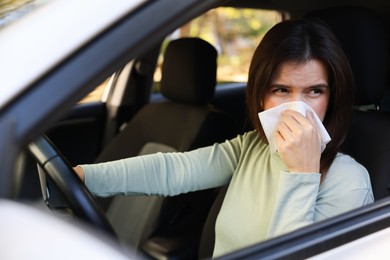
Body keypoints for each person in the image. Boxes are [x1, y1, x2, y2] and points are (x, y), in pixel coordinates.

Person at [74, 18, 374, 257]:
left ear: (331, 98)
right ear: (260, 96)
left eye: (314, 91)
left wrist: (302, 173)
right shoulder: (252, 148)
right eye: (281, 90)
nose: (298, 108)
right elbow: (173, 170)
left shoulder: (349, 181)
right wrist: (85, 177)